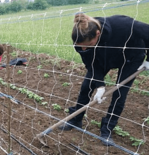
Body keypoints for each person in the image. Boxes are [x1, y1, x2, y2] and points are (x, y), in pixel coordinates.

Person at [59, 13, 149, 146]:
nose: (83, 48)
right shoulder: (81, 43)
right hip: (102, 59)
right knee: (87, 86)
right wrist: (100, 86)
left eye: (88, 45)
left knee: (120, 93)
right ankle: (76, 120)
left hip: (131, 57)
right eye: (81, 46)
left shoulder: (123, 25)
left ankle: (107, 129)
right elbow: (91, 64)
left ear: (97, 33)